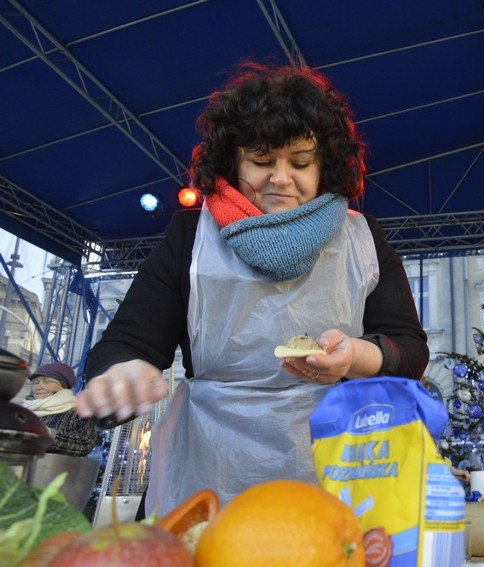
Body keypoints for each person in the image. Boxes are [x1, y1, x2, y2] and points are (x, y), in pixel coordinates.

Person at [76, 61, 429, 516]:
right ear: (233, 162)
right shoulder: (191, 236)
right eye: (262, 161)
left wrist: (356, 358)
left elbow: (410, 350)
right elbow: (128, 341)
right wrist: (122, 373)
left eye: (300, 162)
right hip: (208, 471)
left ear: (325, 167)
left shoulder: (362, 238)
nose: (281, 178)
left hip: (332, 474)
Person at [21, 362, 97, 457]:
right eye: (35, 382)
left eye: (46, 382)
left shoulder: (77, 413)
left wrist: (48, 434)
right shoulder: (21, 412)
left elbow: (85, 445)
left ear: (63, 386)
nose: (39, 387)